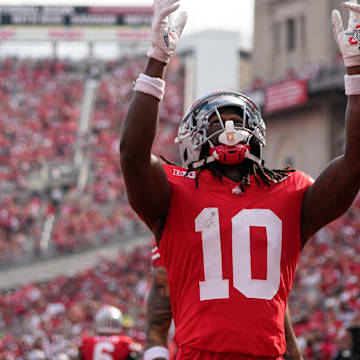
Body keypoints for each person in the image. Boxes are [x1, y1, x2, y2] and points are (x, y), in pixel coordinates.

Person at [120, 0, 360, 358]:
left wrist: (356, 72)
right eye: (217, 123)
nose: (229, 131)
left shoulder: (288, 192)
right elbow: (133, 156)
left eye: (236, 121)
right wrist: (156, 62)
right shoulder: (175, 192)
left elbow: (355, 164)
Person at [145, 243, 303, 360]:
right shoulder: (178, 218)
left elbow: (272, 296)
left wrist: (294, 353)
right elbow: (157, 326)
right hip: (201, 351)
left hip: (264, 350)